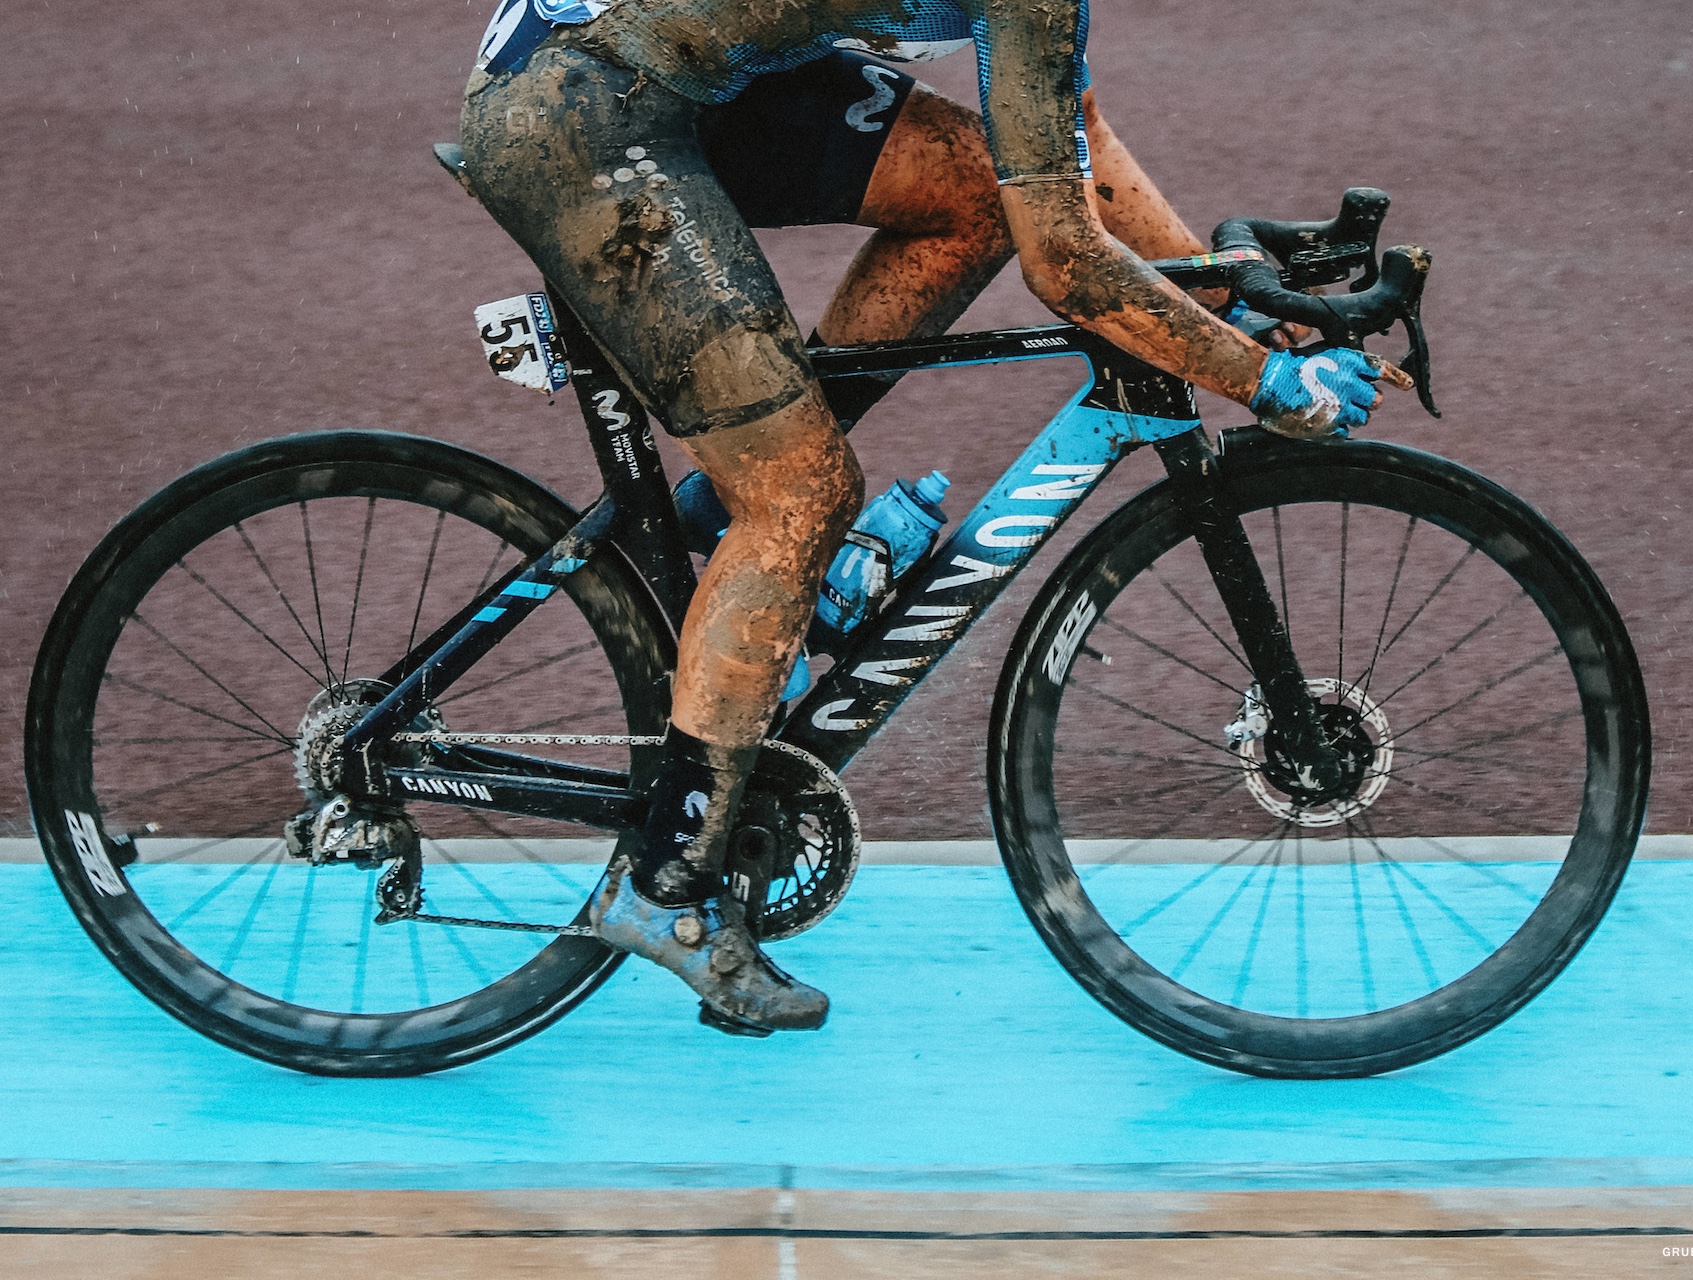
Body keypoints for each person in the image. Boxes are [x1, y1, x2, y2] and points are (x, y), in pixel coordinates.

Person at [458, 0, 1397, 1036]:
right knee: (803, 491)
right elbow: (1069, 266)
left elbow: (1057, 136)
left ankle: (730, 505)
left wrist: (1224, 308)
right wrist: (1262, 378)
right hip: (588, 110)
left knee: (972, 192)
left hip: (660, 70)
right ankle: (666, 886)